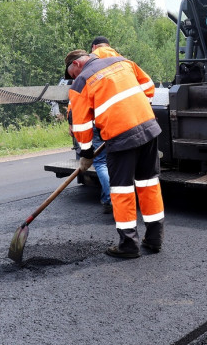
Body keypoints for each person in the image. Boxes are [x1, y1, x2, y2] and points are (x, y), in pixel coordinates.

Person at [64, 49, 164, 259]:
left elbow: (81, 124)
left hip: (121, 135)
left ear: (76, 64)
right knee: (148, 184)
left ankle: (129, 245)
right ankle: (154, 239)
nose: (72, 79)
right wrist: (135, 109)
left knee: (121, 190)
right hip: (148, 127)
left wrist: (86, 153)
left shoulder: (81, 81)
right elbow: (148, 86)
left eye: (70, 74)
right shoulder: (122, 62)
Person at [88, 36, 121, 214]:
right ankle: (109, 197)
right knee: (116, 161)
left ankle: (110, 198)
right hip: (120, 120)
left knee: (100, 162)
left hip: (98, 120)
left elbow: (79, 95)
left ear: (94, 47)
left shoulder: (90, 63)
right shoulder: (120, 60)